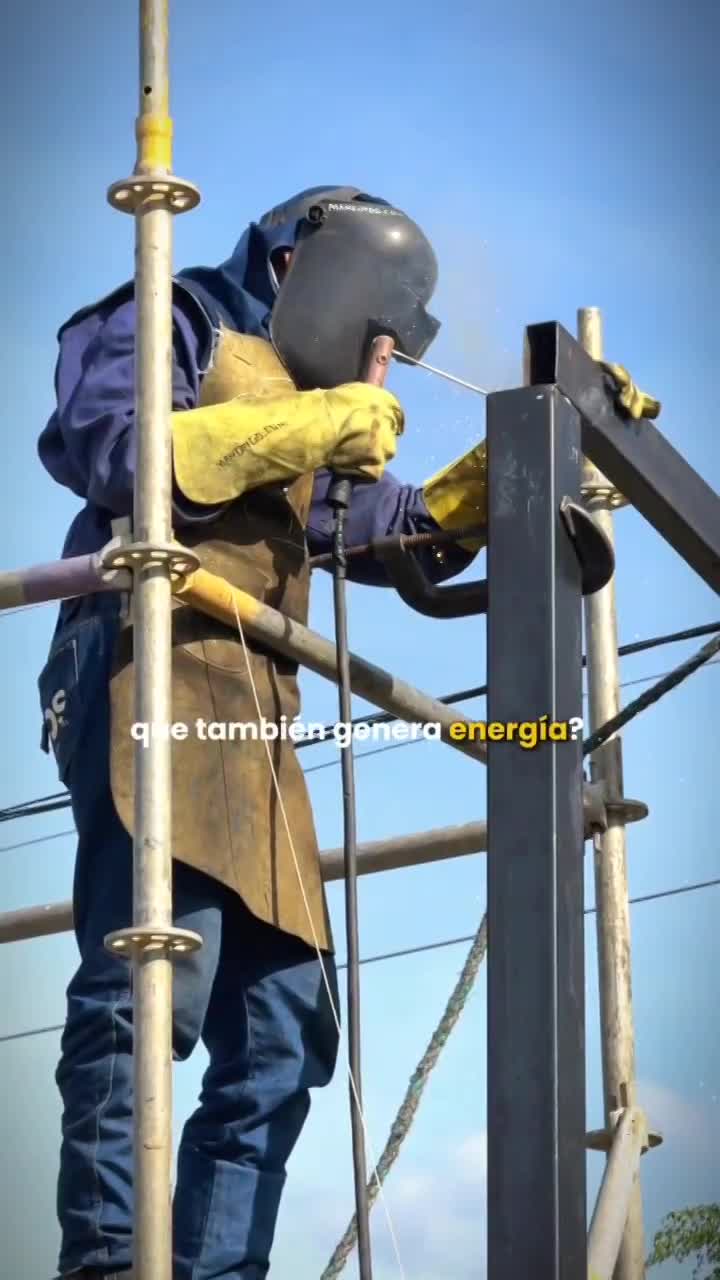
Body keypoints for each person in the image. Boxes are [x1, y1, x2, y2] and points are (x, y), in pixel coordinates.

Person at [37, 186, 490, 1280]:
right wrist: (305, 428)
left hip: (254, 704)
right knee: (153, 978)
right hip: (151, 655)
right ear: (301, 267)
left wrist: (509, 480)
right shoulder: (173, 313)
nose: (378, 367)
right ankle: (110, 1260)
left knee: (285, 1033)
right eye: (376, 336)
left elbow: (381, 530)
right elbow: (116, 450)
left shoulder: (305, 397)